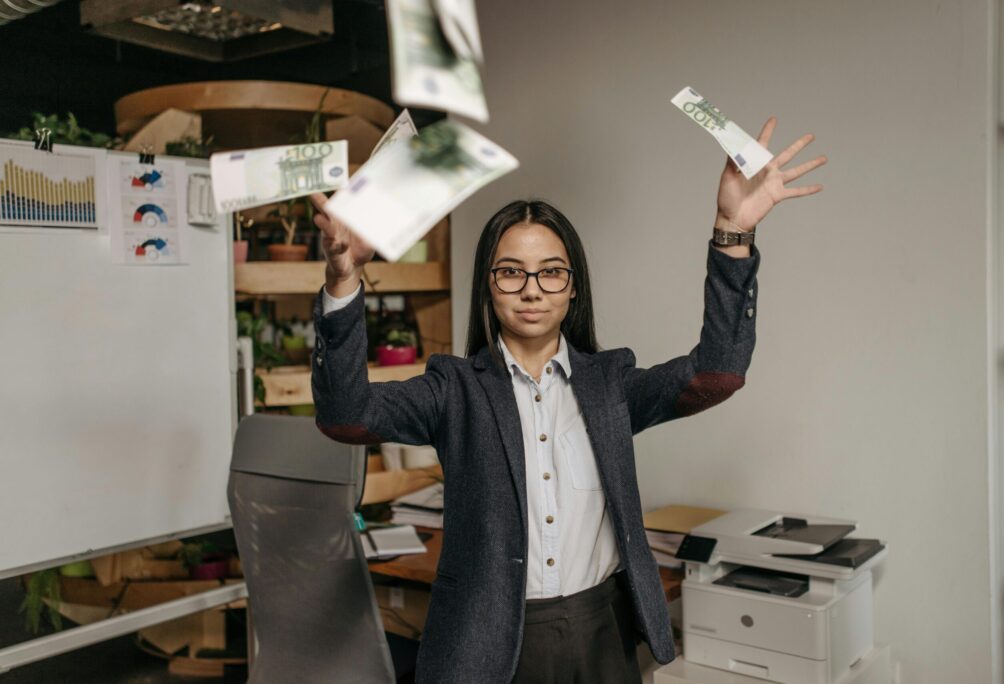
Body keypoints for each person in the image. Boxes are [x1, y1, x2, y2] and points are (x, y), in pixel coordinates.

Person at [309, 117, 825, 683]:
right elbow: (345, 415)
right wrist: (343, 280)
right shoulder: (453, 390)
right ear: (488, 285)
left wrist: (732, 233)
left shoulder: (611, 384)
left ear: (573, 286)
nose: (532, 289)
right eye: (511, 272)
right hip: (490, 645)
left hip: (601, 632)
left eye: (551, 273)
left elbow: (718, 374)